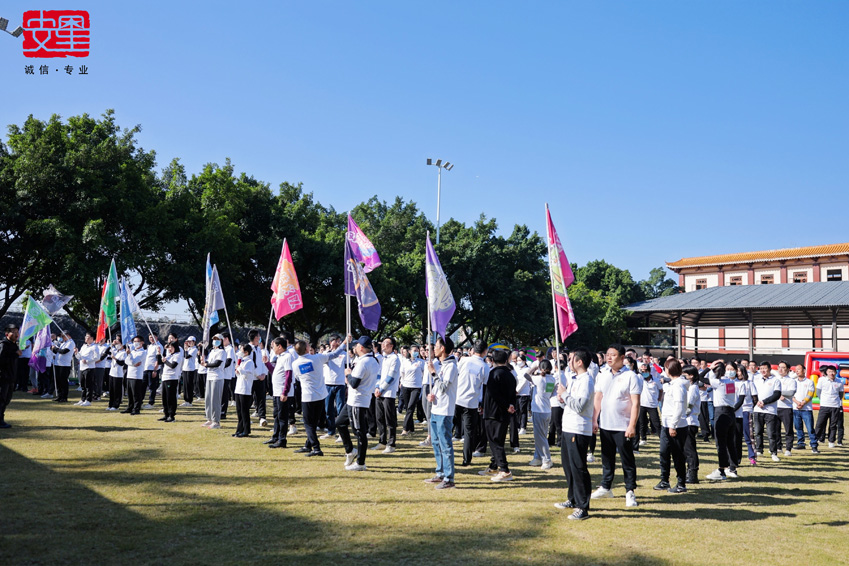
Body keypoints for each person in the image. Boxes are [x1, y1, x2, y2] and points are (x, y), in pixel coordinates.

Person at [590, 344, 642, 508]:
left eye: (613, 355)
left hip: (623, 425)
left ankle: (630, 491)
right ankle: (606, 486)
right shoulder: (602, 374)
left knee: (627, 460)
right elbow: (598, 398)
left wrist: (632, 425)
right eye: (607, 354)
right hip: (606, 424)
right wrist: (594, 420)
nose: (609, 357)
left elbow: (635, 403)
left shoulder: (631, 376)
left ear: (622, 358)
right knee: (607, 458)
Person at [554, 347, 595, 519]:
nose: (568, 362)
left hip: (578, 429)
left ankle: (582, 506)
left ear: (579, 362)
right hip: (568, 426)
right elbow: (571, 404)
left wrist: (566, 395)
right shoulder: (575, 379)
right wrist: (563, 399)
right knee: (569, 467)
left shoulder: (586, 381)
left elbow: (579, 406)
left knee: (578, 468)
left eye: (571, 359)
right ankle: (572, 498)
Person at [292, 338, 347, 456]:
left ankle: (316, 448)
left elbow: (296, 377)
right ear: (307, 349)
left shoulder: (296, 364)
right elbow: (335, 354)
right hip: (320, 395)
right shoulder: (317, 357)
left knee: (308, 424)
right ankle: (308, 445)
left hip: (308, 396)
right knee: (313, 422)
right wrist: (344, 343)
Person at [340, 336, 381, 471]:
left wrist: (348, 375)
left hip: (358, 400)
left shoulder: (364, 362)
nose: (355, 347)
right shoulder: (371, 360)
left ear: (361, 348)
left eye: (357, 345)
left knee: (359, 432)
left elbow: (354, 383)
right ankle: (350, 450)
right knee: (339, 423)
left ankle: (360, 463)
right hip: (353, 400)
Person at [425, 336, 459, 489]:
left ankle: (449, 478)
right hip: (436, 408)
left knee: (445, 444)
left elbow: (444, 386)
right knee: (436, 442)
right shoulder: (442, 365)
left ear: (443, 348)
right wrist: (431, 395)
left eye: (436, 346)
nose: (434, 349)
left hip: (445, 410)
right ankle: (440, 472)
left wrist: (433, 373)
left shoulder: (451, 366)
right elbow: (438, 388)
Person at [479, 348, 517, 482]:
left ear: (493, 360)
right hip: (504, 412)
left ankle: (504, 470)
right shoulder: (510, 375)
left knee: (495, 441)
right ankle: (494, 466)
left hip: (494, 412)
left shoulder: (494, 374)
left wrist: (507, 405)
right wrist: (511, 405)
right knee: (498, 439)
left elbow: (494, 394)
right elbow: (513, 393)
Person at [655, 359, 689, 493]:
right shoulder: (672, 384)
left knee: (677, 455)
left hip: (677, 425)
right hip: (666, 424)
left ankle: (681, 483)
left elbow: (679, 407)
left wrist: (673, 425)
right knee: (664, 453)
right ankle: (664, 480)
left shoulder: (679, 386)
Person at [455, 341, 489, 466]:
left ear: (473, 350)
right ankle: (466, 459)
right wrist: (483, 405)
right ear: (485, 351)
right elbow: (485, 388)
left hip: (457, 398)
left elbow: (456, 374)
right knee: (469, 432)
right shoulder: (485, 367)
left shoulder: (464, 360)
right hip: (472, 402)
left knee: (450, 427)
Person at [705, 361, 740, 481]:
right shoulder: (729, 382)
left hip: (721, 411)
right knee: (730, 441)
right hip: (730, 411)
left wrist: (710, 368)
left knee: (720, 442)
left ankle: (721, 470)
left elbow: (700, 377)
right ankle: (732, 467)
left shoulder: (717, 383)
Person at [525, 359, 555, 470]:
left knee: (540, 437)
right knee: (541, 435)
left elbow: (526, 375)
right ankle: (537, 457)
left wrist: (534, 367)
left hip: (538, 410)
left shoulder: (539, 379)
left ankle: (547, 459)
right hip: (547, 410)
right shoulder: (552, 379)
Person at [373, 337, 400, 454]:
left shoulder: (395, 359)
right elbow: (379, 374)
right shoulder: (383, 358)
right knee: (379, 417)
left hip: (388, 392)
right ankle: (382, 441)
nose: (383, 345)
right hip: (380, 392)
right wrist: (377, 387)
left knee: (390, 419)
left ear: (392, 346)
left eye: (386, 343)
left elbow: (391, 376)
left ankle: (391, 443)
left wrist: (381, 389)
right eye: (382, 343)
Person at [752, 361, 782, 461]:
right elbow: (753, 393)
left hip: (770, 411)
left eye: (765, 368)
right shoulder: (756, 380)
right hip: (758, 409)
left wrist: (764, 402)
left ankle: (773, 452)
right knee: (758, 432)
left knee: (771, 433)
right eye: (761, 368)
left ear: (769, 369)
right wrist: (757, 402)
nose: (763, 370)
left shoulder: (775, 380)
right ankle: (759, 450)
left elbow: (776, 395)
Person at [267, 337, 293, 448]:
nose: (272, 348)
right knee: (277, 415)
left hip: (282, 392)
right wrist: (267, 363)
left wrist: (285, 392)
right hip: (277, 391)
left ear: (279, 346)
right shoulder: (280, 357)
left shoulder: (287, 356)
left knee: (282, 417)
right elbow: (275, 372)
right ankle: (275, 436)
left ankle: (282, 440)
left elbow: (288, 375)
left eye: (273, 346)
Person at [321, 334, 347, 441]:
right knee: (328, 409)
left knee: (340, 409)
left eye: (338, 341)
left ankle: (342, 433)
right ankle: (331, 431)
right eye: (334, 341)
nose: (336, 343)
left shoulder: (345, 354)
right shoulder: (325, 354)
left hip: (340, 384)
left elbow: (347, 367)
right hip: (328, 384)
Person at [200, 334, 227, 429]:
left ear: (221, 341)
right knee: (208, 399)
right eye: (214, 339)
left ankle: (216, 421)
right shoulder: (212, 351)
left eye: (217, 339)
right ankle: (209, 418)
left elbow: (217, 363)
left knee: (215, 399)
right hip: (209, 377)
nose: (215, 341)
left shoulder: (222, 352)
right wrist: (203, 361)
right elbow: (207, 362)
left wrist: (206, 364)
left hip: (217, 377)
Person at [815, 365, 845, 448]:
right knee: (820, 424)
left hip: (835, 406)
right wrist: (824, 400)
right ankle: (815, 439)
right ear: (826, 372)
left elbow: (841, 394)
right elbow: (818, 392)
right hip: (824, 405)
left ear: (836, 372)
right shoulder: (821, 380)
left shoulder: (839, 381)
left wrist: (836, 402)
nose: (831, 373)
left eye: (833, 371)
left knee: (833, 425)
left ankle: (831, 441)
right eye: (829, 371)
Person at [232, 343, 258, 437]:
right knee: (239, 411)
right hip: (238, 388)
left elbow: (246, 374)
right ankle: (239, 429)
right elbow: (239, 374)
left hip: (245, 389)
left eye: (241, 350)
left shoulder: (249, 362)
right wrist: (237, 369)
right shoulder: (242, 361)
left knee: (244, 411)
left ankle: (246, 430)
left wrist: (239, 368)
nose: (240, 352)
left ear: (246, 352)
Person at [399, 344, 425, 436]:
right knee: (408, 408)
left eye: (417, 350)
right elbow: (402, 373)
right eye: (414, 350)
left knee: (410, 407)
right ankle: (411, 428)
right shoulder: (404, 362)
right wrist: (401, 383)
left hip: (416, 387)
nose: (416, 352)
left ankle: (405, 429)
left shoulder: (421, 362)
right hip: (406, 386)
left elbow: (424, 373)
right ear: (409, 351)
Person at [682, 365, 701, 484]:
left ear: (691, 376)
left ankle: (693, 473)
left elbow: (689, 405)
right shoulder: (688, 387)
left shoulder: (693, 388)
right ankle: (688, 471)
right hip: (686, 421)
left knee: (690, 449)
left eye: (684, 375)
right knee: (685, 448)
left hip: (690, 421)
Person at [792, 366, 818, 454]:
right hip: (795, 408)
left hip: (806, 408)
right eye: (796, 370)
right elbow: (791, 394)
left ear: (804, 370)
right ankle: (801, 443)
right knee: (798, 427)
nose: (797, 371)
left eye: (799, 369)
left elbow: (810, 394)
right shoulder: (793, 382)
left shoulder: (809, 382)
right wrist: (796, 402)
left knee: (810, 428)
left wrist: (802, 403)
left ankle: (814, 445)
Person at [0, 325, 21, 428]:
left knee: (7, 399)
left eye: (17, 331)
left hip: (11, 377)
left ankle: (1, 418)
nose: (16, 334)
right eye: (13, 332)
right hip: (3, 377)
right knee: (1, 399)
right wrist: (15, 354)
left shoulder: (14, 345)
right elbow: (1, 360)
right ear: (7, 334)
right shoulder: (4, 345)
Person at [637, 361, 662, 447]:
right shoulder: (639, 379)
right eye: (642, 371)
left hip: (652, 404)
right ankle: (643, 438)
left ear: (649, 371)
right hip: (642, 404)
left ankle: (661, 437)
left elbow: (661, 389)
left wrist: (659, 398)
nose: (644, 373)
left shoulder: (655, 380)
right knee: (642, 423)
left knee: (656, 423)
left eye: (645, 371)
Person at [247, 330, 269, 427]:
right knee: (248, 399)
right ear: (255, 337)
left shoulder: (260, 349)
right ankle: (246, 417)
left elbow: (262, 363)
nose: (260, 338)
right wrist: (257, 375)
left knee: (261, 399)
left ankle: (262, 417)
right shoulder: (247, 348)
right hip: (251, 378)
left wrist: (264, 373)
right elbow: (250, 364)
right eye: (259, 336)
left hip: (261, 378)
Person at [158, 341, 183, 422]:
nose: (170, 349)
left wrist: (165, 361)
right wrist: (159, 354)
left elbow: (173, 365)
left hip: (172, 378)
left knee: (170, 397)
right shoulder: (168, 355)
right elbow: (160, 362)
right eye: (169, 347)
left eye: (171, 347)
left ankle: (171, 415)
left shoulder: (177, 355)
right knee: (164, 397)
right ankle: (166, 414)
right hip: (165, 378)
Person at [775, 361, 797, 456]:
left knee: (788, 429)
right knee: (775, 429)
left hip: (786, 407)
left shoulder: (791, 380)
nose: (780, 369)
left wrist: (779, 393)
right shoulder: (775, 379)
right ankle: (778, 446)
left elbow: (791, 392)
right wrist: (778, 395)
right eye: (779, 367)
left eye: (783, 367)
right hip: (775, 407)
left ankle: (788, 448)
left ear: (788, 369)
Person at [122, 336, 147, 415]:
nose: (135, 343)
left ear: (142, 342)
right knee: (129, 393)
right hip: (129, 374)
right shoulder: (133, 351)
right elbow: (127, 361)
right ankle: (130, 407)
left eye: (137, 341)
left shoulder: (142, 352)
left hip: (136, 375)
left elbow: (133, 361)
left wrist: (130, 359)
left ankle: (136, 408)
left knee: (136, 393)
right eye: (134, 341)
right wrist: (132, 362)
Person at [74, 332, 99, 406]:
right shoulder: (84, 346)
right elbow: (79, 356)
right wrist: (76, 353)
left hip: (89, 368)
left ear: (91, 338)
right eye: (85, 336)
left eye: (87, 336)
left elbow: (97, 357)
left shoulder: (94, 347)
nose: (85, 338)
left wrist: (87, 361)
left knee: (88, 385)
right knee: (82, 385)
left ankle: (88, 400)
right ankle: (83, 399)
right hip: (82, 367)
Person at [52, 332, 74, 403]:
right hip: (58, 364)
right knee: (58, 381)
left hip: (65, 365)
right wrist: (53, 348)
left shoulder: (71, 343)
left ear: (68, 335)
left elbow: (64, 351)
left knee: (63, 381)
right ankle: (59, 395)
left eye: (63, 336)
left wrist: (55, 349)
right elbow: (58, 352)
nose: (62, 337)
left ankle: (64, 397)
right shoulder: (63, 343)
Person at [142, 334, 162, 410]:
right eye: (150, 337)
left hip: (153, 369)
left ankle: (151, 402)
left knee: (152, 387)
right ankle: (140, 401)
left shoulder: (158, 346)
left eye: (153, 337)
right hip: (146, 368)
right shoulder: (150, 346)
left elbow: (158, 359)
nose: (151, 339)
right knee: (143, 386)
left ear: (156, 337)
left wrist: (155, 370)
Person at [106, 338, 126, 411]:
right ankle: (110, 404)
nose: (116, 345)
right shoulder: (115, 351)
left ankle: (116, 405)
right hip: (112, 372)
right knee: (111, 390)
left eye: (118, 344)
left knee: (117, 390)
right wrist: (112, 345)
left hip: (118, 373)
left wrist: (115, 358)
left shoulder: (123, 353)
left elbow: (121, 363)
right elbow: (106, 351)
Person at [180, 336, 198, 408]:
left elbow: (187, 356)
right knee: (185, 386)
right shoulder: (188, 349)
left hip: (190, 369)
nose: (189, 343)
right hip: (185, 368)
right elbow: (184, 356)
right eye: (188, 342)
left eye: (190, 341)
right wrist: (186, 349)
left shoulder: (194, 349)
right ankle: (186, 400)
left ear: (194, 342)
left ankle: (189, 400)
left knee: (189, 385)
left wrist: (186, 349)